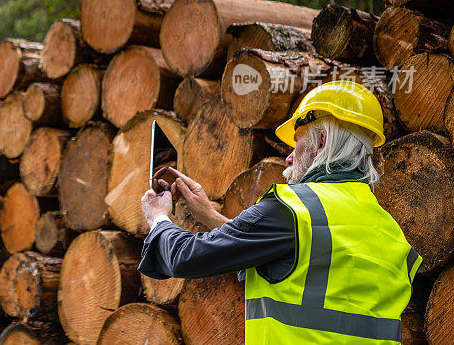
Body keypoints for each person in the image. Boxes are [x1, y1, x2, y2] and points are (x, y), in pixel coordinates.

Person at [139, 80, 420, 344]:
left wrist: (158, 217)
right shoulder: (389, 230)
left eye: (297, 142)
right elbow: (303, 264)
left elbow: (184, 258)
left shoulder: (294, 209)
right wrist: (212, 219)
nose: (288, 156)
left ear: (321, 142)